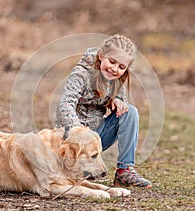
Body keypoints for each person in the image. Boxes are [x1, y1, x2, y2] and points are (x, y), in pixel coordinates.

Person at [56, 34, 152, 188]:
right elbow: (65, 104)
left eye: (121, 67)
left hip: (96, 138)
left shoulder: (117, 79)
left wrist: (118, 101)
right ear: (101, 55)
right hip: (72, 140)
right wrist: (79, 131)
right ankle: (75, 166)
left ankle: (124, 170)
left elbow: (122, 103)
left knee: (130, 112)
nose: (115, 69)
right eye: (112, 61)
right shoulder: (81, 73)